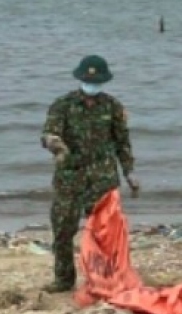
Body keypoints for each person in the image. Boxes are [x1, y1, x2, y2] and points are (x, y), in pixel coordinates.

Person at [41, 55, 138, 292]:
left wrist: (129, 173)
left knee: (106, 234)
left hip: (103, 179)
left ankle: (106, 278)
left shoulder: (113, 106)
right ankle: (64, 280)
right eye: (88, 80)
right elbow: (48, 134)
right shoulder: (62, 105)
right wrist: (56, 144)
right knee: (63, 230)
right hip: (70, 178)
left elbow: (122, 142)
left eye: (96, 81)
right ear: (80, 79)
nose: (91, 85)